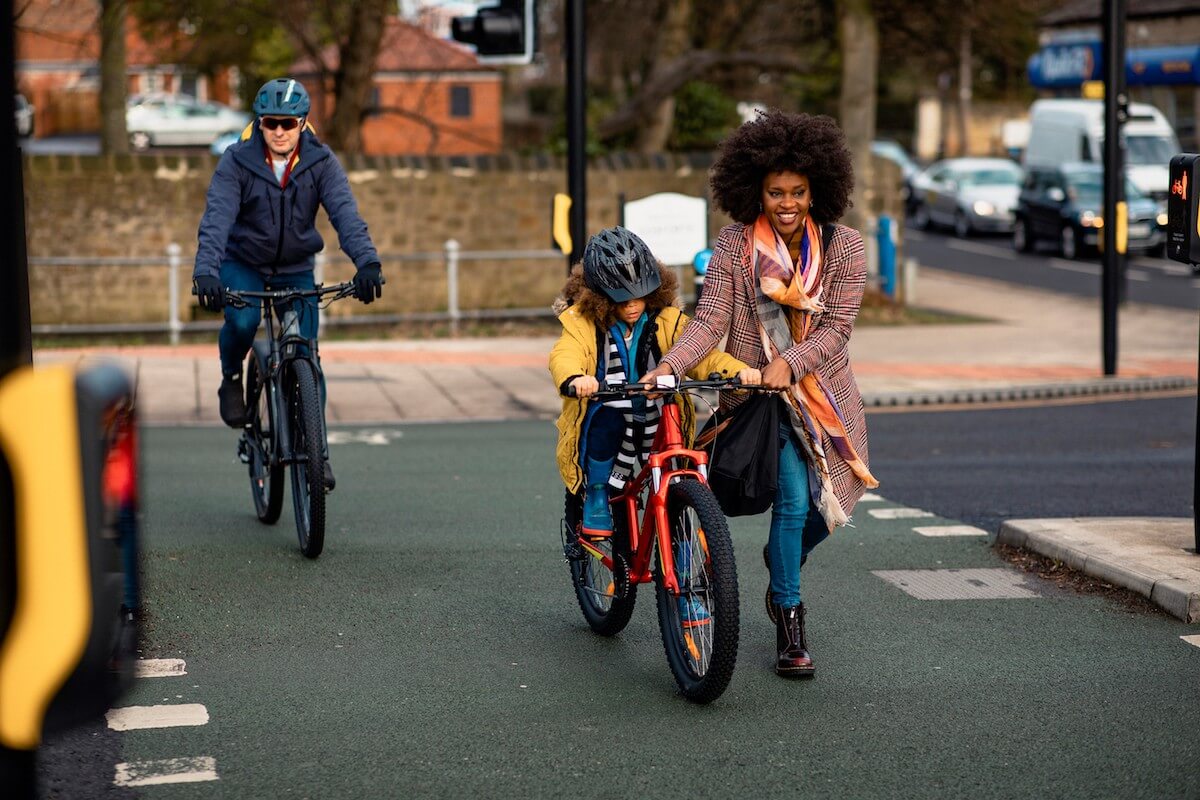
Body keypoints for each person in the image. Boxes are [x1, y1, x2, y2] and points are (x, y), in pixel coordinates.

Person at [643, 109, 879, 679]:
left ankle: (779, 565)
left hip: (823, 394)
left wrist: (790, 362)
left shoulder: (845, 248)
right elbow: (709, 321)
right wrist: (668, 366)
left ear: (817, 189)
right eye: (776, 192)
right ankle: (790, 621)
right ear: (757, 191)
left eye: (798, 191)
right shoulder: (735, 245)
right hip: (757, 396)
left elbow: (837, 329)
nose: (788, 203)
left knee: (837, 502)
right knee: (794, 499)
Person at [549, 227, 759, 622]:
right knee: (607, 418)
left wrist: (740, 371)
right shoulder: (581, 322)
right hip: (609, 409)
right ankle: (596, 492)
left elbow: (703, 356)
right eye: (621, 297)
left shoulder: (668, 320)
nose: (633, 305)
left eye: (640, 294)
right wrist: (577, 379)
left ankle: (690, 584)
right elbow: (565, 354)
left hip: (658, 417)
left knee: (684, 492)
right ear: (598, 295)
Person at [192, 77, 384, 492]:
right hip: (243, 264)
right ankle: (231, 376)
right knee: (242, 324)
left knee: (305, 354)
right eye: (271, 123)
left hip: (296, 268)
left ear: (302, 124)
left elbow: (346, 216)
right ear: (259, 124)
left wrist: (367, 262)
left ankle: (316, 451)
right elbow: (217, 220)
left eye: (289, 123)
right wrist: (206, 271)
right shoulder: (237, 161)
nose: (280, 131)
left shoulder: (321, 162)